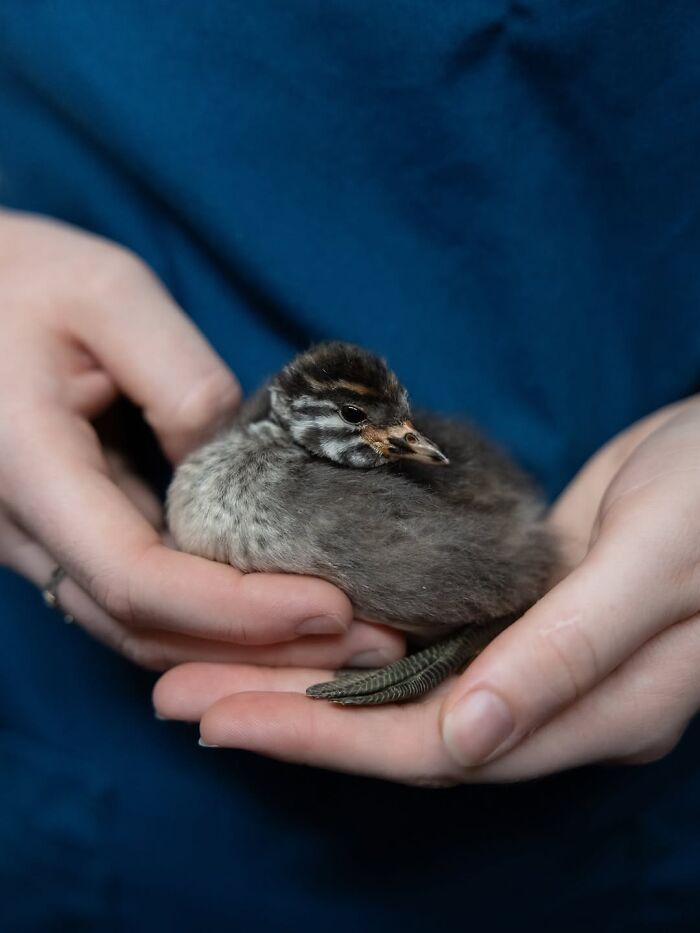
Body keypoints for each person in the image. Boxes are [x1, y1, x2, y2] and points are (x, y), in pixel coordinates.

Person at [1, 3, 699, 930]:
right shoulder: (279, 456)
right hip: (98, 765)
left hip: (626, 744)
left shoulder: (370, 476)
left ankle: (459, 645)